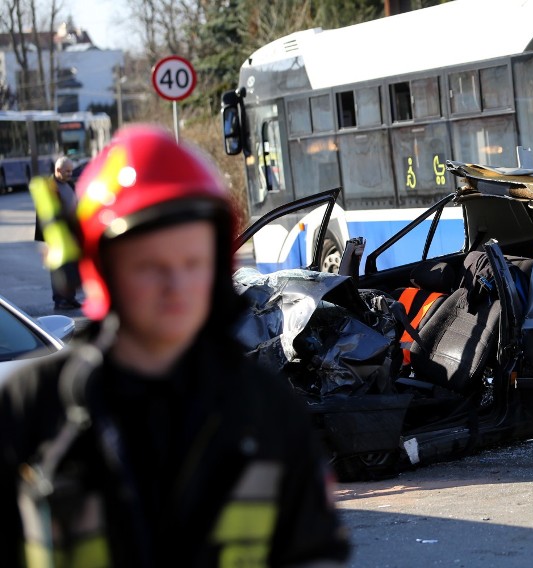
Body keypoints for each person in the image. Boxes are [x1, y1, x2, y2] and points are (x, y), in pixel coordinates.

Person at [0, 125, 351, 567]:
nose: (177, 286)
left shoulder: (267, 411)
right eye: (150, 266)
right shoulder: (32, 408)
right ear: (104, 269)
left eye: (193, 262)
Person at [34, 156, 82, 310]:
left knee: (71, 266)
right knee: (59, 269)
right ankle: (60, 300)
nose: (70, 173)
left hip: (71, 232)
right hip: (55, 234)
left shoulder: (69, 184)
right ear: (58, 170)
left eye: (71, 170)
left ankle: (70, 298)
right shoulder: (49, 187)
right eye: (67, 171)